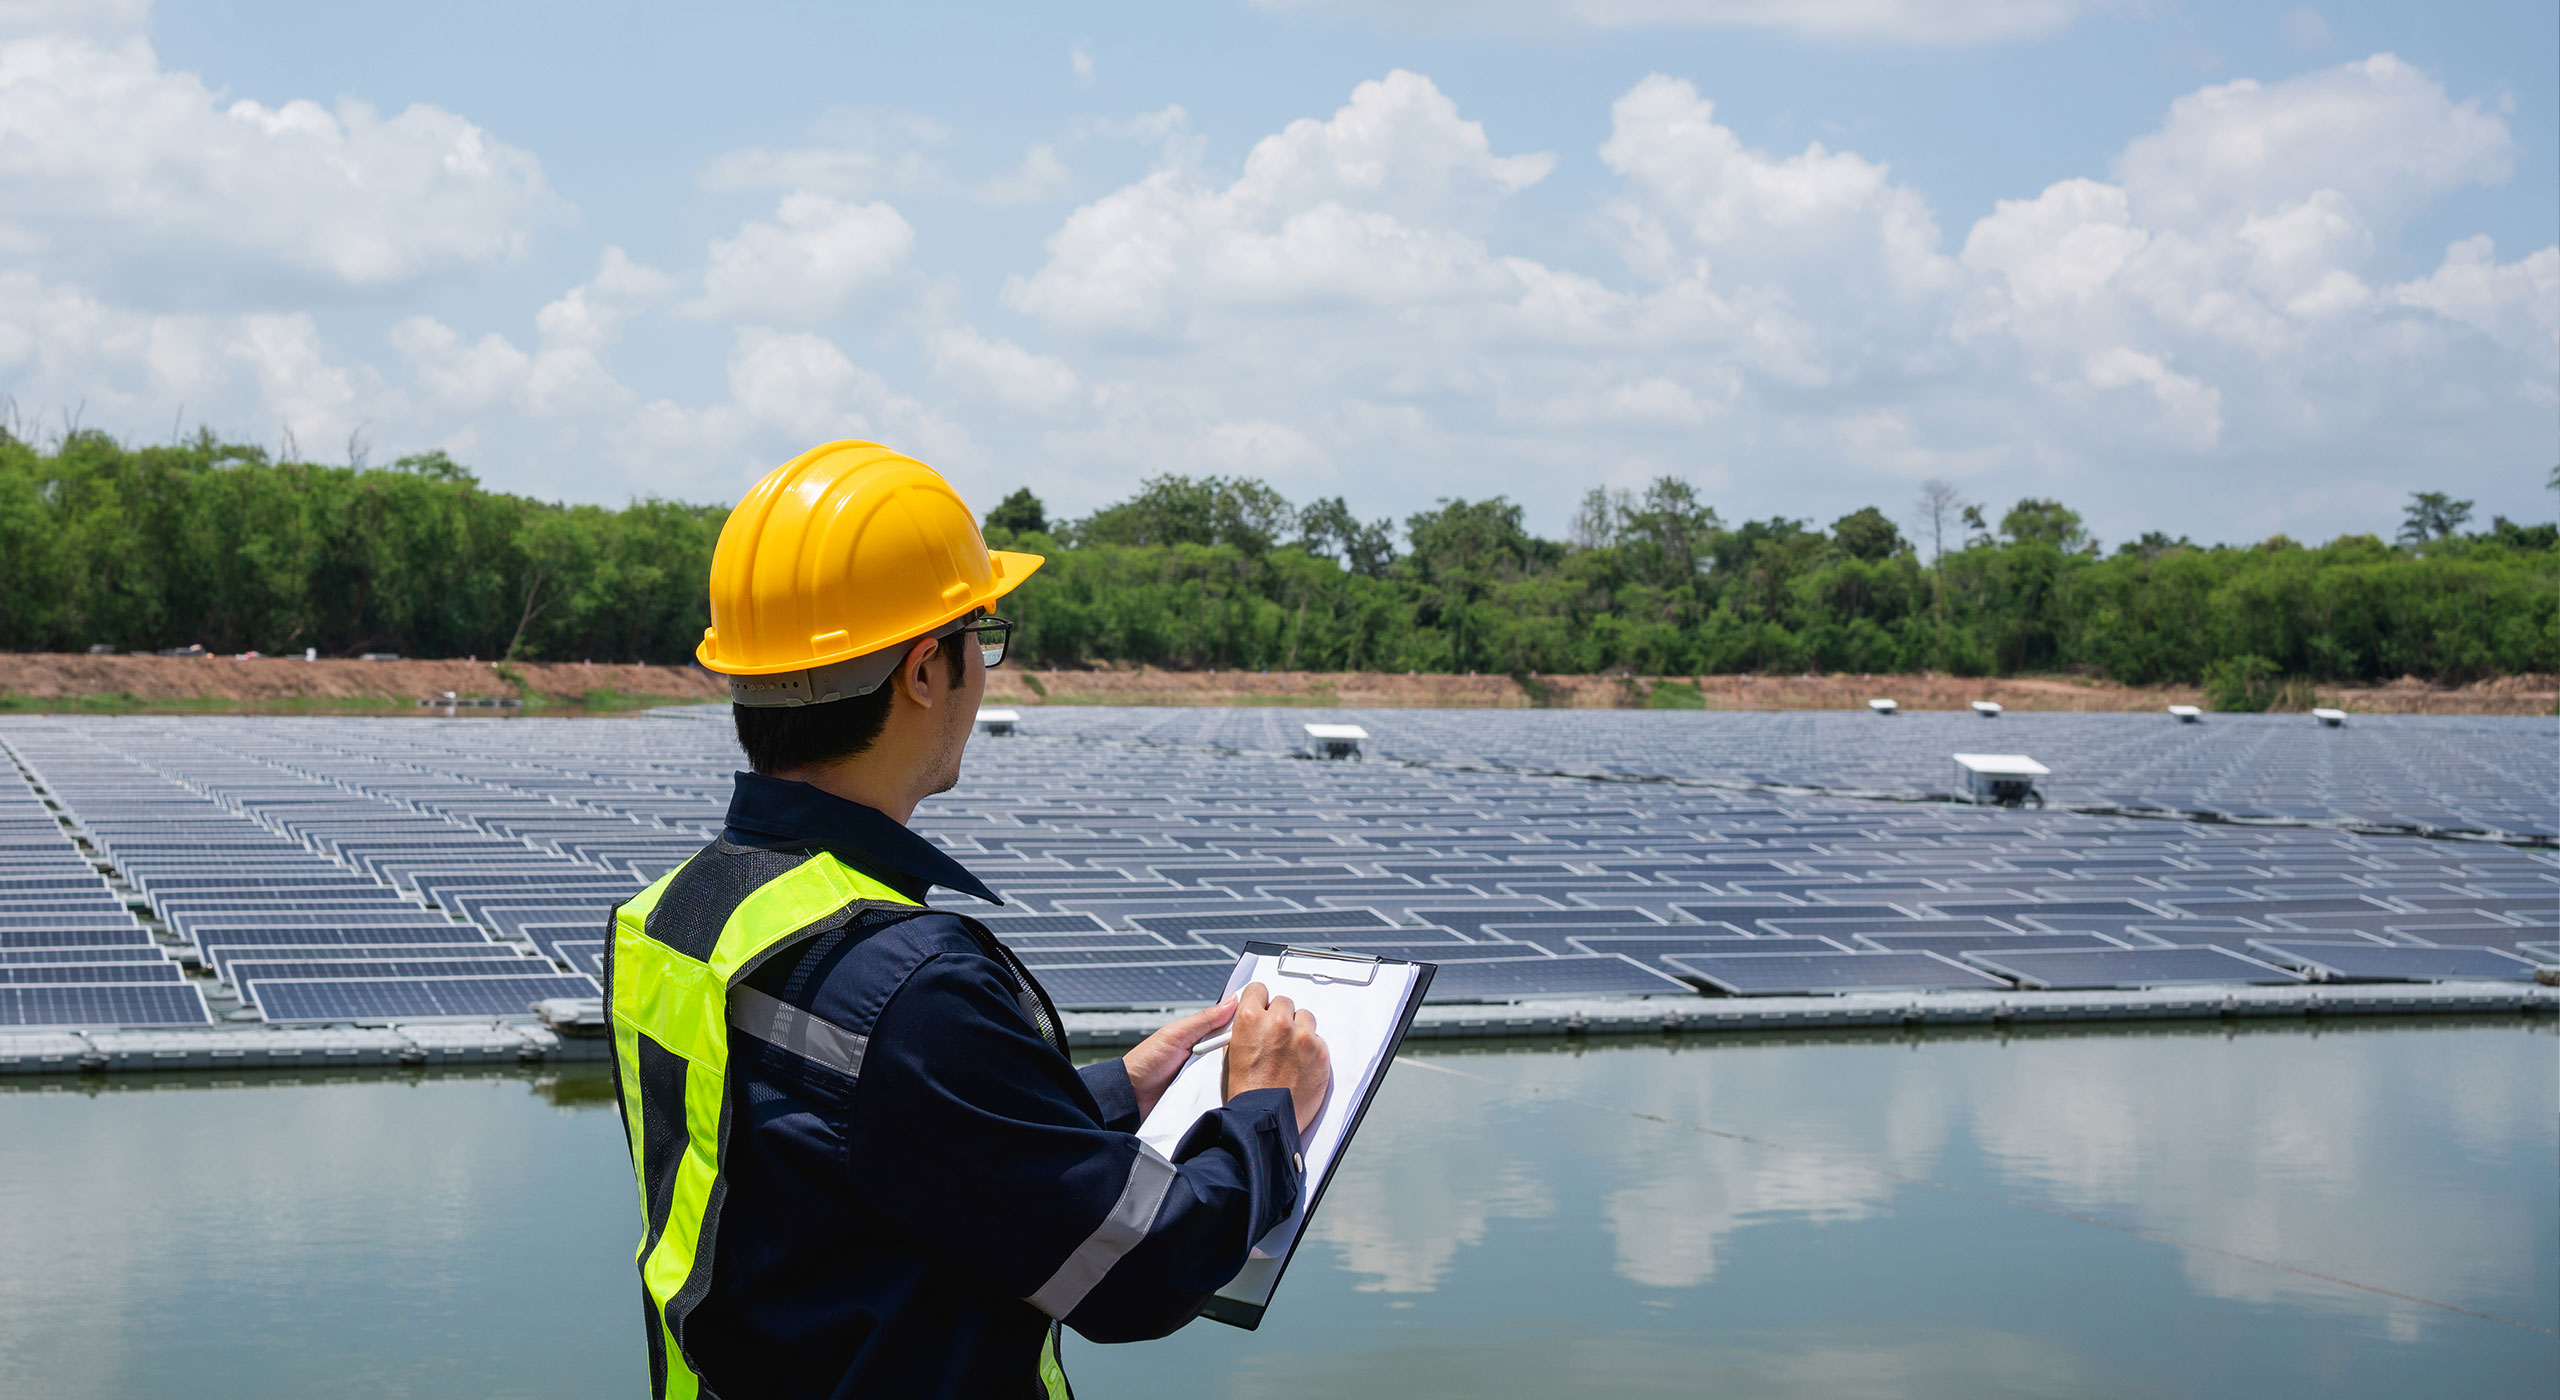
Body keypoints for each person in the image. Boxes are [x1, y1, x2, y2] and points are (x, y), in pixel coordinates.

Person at [606, 440, 1331, 1400]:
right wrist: (1261, 1111)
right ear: (921, 671)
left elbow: (851, 1145)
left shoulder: (674, 915)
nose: (983, 672)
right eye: (979, 638)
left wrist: (1107, 1096)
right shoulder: (911, 984)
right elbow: (1136, 1271)